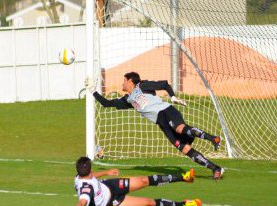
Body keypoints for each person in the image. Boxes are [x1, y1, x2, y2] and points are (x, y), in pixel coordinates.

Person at [86, 72, 224, 180]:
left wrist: (173, 97)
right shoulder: (127, 100)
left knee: (180, 128)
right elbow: (106, 103)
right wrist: (93, 91)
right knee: (183, 148)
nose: (122, 83)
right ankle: (215, 168)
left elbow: (164, 84)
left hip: (166, 110)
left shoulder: (142, 86)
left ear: (130, 80)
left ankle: (213, 138)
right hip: (161, 122)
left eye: (124, 80)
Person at [72, 156, 201, 206]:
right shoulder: (86, 188)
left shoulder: (81, 175)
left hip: (110, 185)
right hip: (112, 202)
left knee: (144, 180)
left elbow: (92, 175)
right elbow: (82, 201)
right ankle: (184, 204)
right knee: (149, 203)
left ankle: (184, 177)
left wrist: (106, 172)